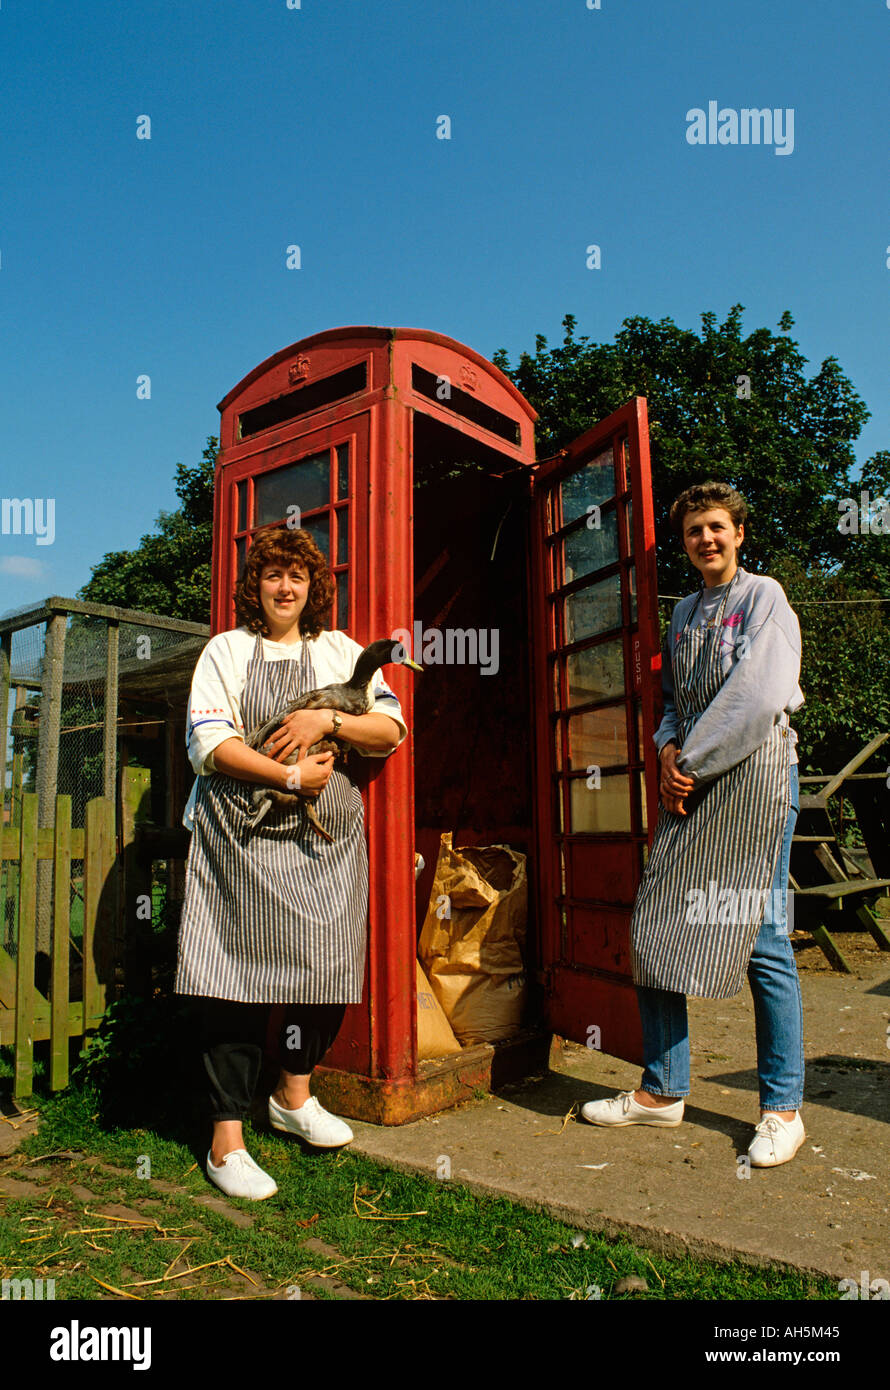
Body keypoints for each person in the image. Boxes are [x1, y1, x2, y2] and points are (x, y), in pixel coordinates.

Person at [175, 525, 407, 1199]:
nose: (285, 587)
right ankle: (226, 1141)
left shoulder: (339, 650)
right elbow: (210, 743)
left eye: (297, 578)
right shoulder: (228, 650)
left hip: (319, 840)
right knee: (233, 976)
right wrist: (287, 778)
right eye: (273, 575)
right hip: (240, 836)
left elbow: (389, 730)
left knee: (322, 965)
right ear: (257, 587)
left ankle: (292, 1097)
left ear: (313, 590)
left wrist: (325, 724)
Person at [581, 482, 806, 1168]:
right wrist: (668, 749)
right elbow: (675, 700)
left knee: (763, 936)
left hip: (757, 780)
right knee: (653, 926)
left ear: (739, 532)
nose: (705, 540)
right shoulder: (681, 613)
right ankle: (663, 1090)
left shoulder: (764, 597)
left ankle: (782, 1108)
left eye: (716, 528)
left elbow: (760, 696)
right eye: (692, 533)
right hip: (696, 781)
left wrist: (693, 763)